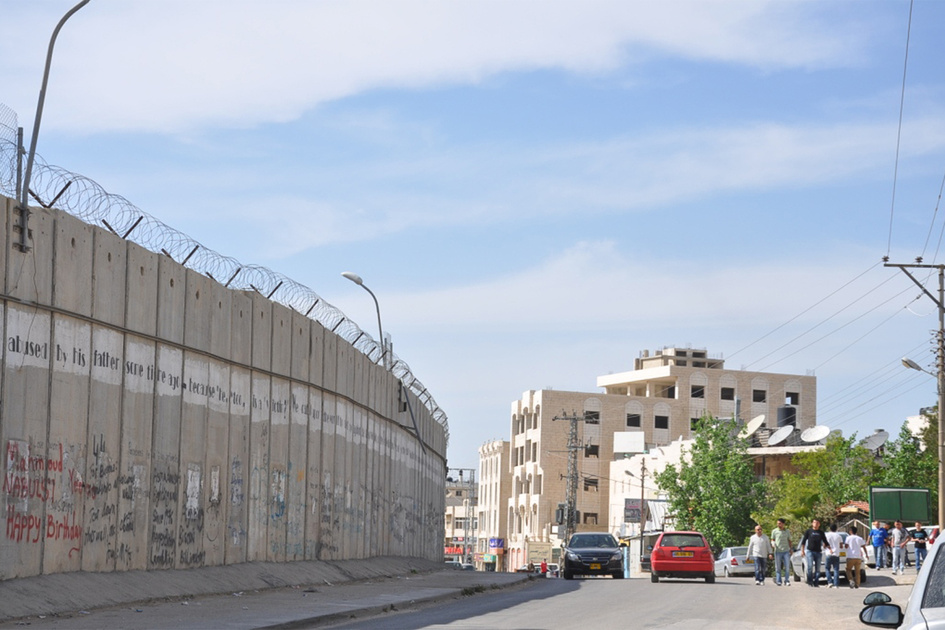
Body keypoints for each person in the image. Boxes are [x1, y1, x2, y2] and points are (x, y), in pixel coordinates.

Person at [800, 518, 832, 587]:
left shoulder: (821, 532)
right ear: (812, 523)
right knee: (810, 567)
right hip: (810, 551)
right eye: (814, 522)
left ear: (819, 524)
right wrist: (802, 551)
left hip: (818, 552)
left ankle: (816, 582)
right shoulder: (808, 531)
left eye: (817, 523)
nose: (815, 524)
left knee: (818, 569)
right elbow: (803, 541)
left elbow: (825, 541)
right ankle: (810, 582)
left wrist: (830, 548)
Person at [771, 518, 793, 587]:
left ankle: (787, 580)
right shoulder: (774, 531)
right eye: (777, 523)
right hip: (778, 551)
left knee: (787, 567)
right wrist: (773, 544)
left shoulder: (787, 531)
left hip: (786, 551)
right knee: (778, 567)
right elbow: (772, 539)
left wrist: (790, 549)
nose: (778, 525)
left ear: (783, 524)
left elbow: (789, 540)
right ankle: (778, 580)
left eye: (780, 523)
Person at [824, 523, 843, 588]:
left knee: (827, 568)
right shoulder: (839, 536)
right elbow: (841, 546)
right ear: (836, 528)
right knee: (836, 569)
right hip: (836, 554)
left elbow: (824, 545)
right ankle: (836, 584)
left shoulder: (826, 535)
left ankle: (830, 582)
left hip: (829, 554)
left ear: (830, 528)